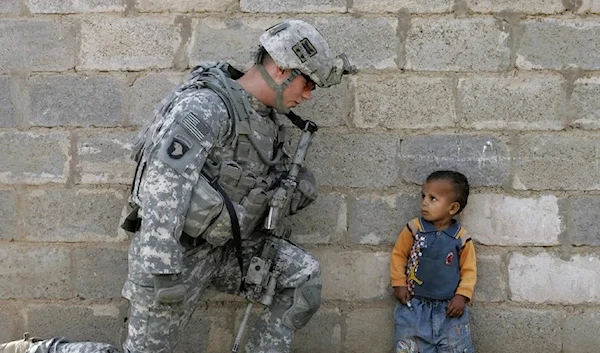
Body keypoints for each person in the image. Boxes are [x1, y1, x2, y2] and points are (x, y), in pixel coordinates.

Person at [0, 19, 355, 353]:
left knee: (302, 277)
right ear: (281, 69)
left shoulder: (265, 120)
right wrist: (163, 271)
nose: (308, 95)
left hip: (227, 250)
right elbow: (162, 188)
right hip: (174, 256)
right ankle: (41, 349)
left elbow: (256, 187)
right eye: (306, 83)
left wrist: (292, 191)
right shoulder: (206, 108)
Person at [390, 170, 477, 353]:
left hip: (449, 310)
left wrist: (462, 296)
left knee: (455, 346)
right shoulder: (414, 229)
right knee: (411, 346)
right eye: (424, 196)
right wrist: (399, 283)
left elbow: (469, 270)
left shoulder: (461, 238)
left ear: (452, 208)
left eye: (433, 198)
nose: (424, 203)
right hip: (414, 306)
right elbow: (399, 255)